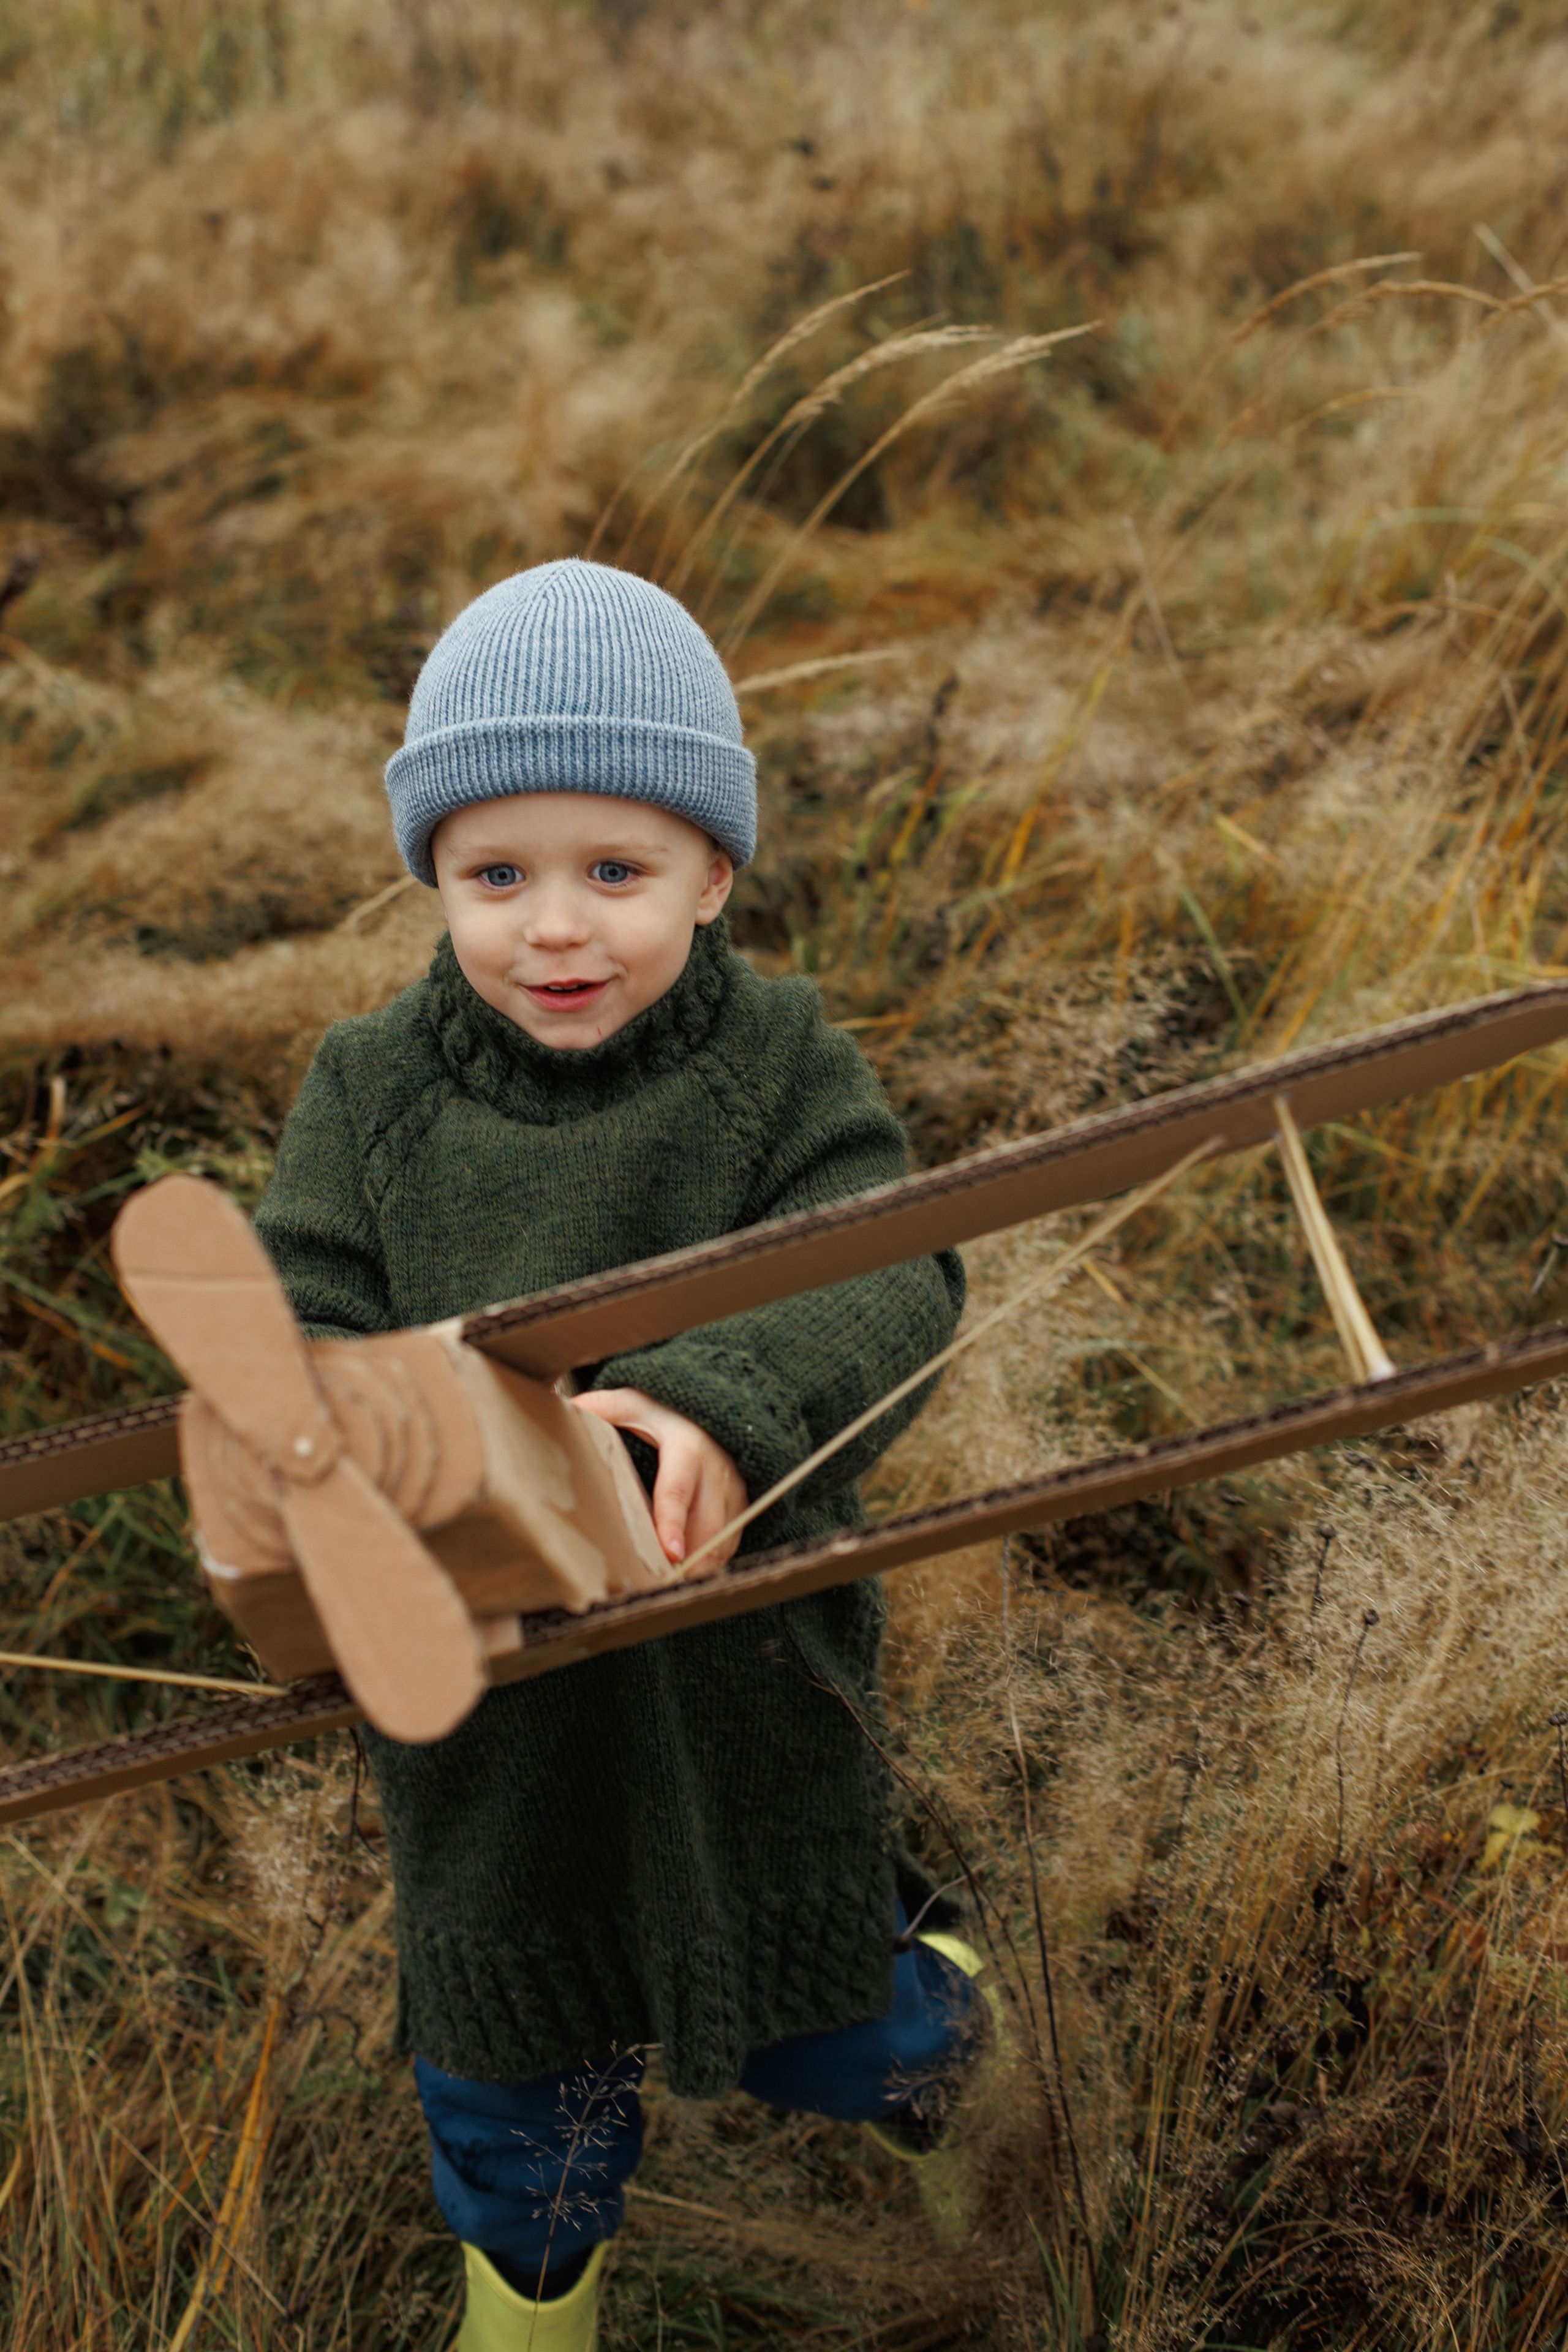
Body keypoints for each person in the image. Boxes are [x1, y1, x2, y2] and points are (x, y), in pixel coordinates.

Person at [254, 558, 987, 2351]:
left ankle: (965, 2092)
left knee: (851, 2031)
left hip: (735, 1670)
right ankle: (533, 2307)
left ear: (715, 872)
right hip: (493, 1723)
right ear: (431, 869)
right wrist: (345, 1439)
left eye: (617, 872)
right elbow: (300, 1303)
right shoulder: (372, 1093)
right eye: (498, 876)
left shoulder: (775, 1062)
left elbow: (899, 1257)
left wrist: (713, 1400)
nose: (556, 930)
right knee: (523, 2109)